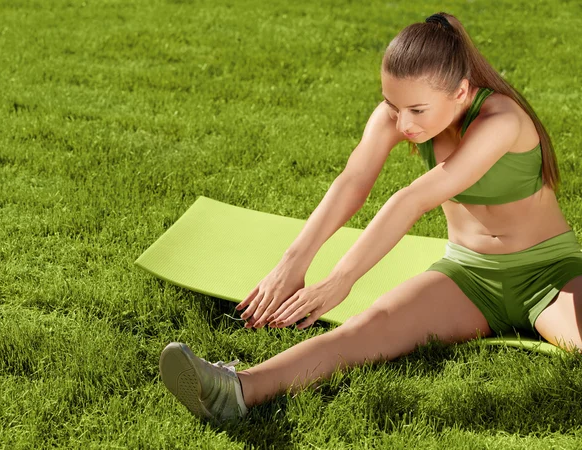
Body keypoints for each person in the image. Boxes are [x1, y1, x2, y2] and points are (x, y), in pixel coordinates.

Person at [158, 12, 582, 424]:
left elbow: (412, 199)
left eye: (417, 109)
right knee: (367, 329)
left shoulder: (502, 120)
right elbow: (351, 184)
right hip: (467, 277)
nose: (402, 122)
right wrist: (293, 264)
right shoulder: (401, 114)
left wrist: (340, 280)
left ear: (461, 92)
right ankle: (235, 389)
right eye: (391, 104)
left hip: (548, 273)